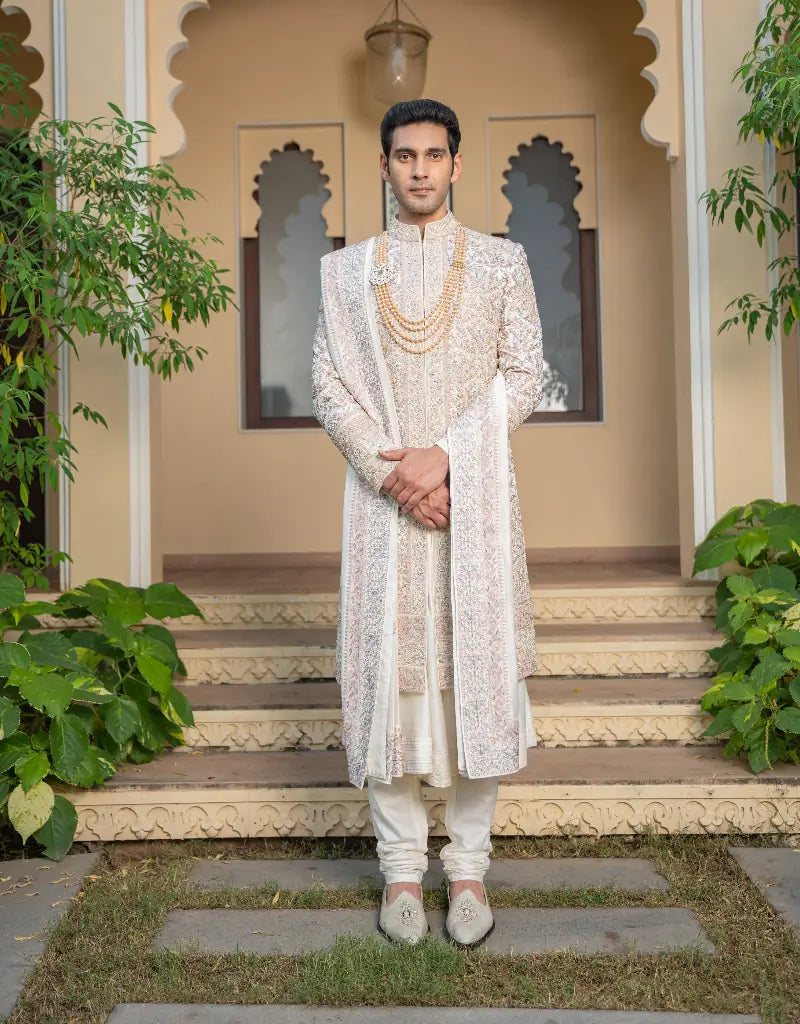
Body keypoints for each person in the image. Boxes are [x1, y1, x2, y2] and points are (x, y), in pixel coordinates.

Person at [311, 98, 543, 948]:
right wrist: (396, 477)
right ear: (384, 165)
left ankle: (469, 870)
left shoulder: (501, 264)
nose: (419, 169)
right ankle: (402, 872)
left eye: (433, 155)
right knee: (392, 688)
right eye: (404, 155)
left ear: (455, 164)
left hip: (473, 503)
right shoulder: (345, 274)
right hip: (385, 512)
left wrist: (444, 457)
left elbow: (526, 373)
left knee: (476, 681)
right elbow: (328, 385)